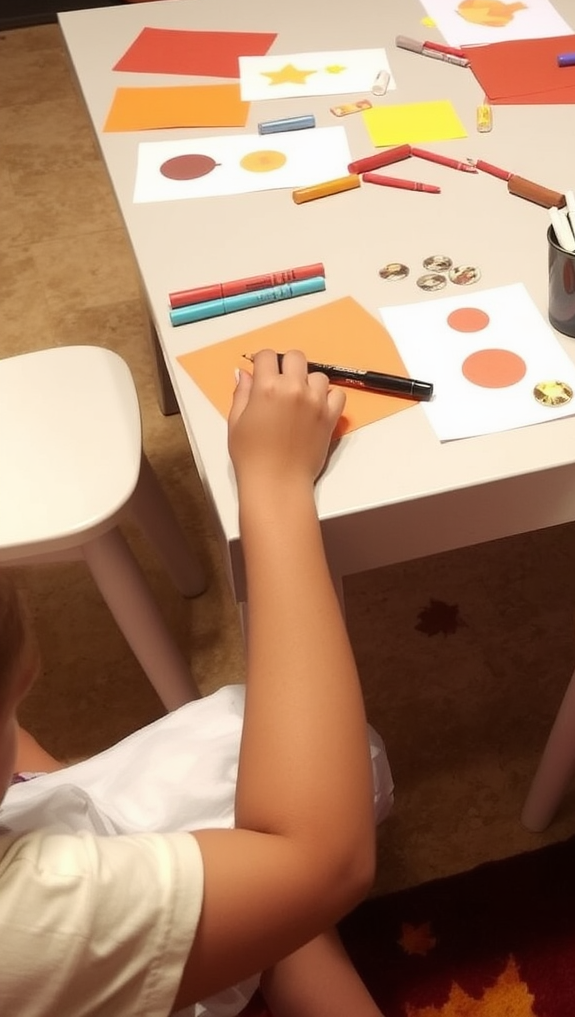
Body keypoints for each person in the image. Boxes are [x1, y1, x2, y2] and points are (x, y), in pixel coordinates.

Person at [0, 349, 386, 1017]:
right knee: (341, 765)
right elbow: (328, 860)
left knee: (248, 749)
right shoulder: (25, 926)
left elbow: (31, 785)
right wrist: (273, 484)